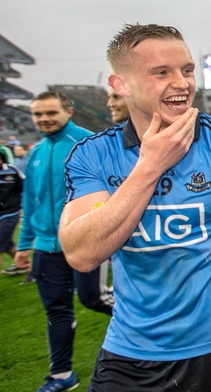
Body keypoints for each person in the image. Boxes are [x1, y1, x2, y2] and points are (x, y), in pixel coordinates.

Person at [58, 24, 211, 392]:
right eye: (161, 72)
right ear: (120, 84)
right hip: (130, 351)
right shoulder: (93, 155)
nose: (182, 83)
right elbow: (81, 253)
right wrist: (149, 168)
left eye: (187, 70)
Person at [14, 91, 115, 392]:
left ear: (68, 111)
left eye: (50, 113)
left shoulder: (89, 144)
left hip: (87, 240)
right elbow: (30, 202)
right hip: (45, 246)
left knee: (93, 299)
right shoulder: (36, 152)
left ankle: (150, 322)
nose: (44, 119)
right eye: (38, 114)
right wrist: (24, 245)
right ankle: (61, 375)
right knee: (56, 310)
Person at [0, 150, 25, 275]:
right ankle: (24, 264)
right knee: (6, 244)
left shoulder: (12, 171)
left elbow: (26, 186)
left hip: (11, 212)